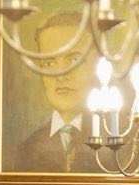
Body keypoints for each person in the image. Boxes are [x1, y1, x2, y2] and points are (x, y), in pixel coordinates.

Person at [10, 11, 101, 173]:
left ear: (98, 65)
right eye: (50, 63)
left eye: (74, 59)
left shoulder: (122, 142)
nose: (60, 75)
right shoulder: (27, 150)